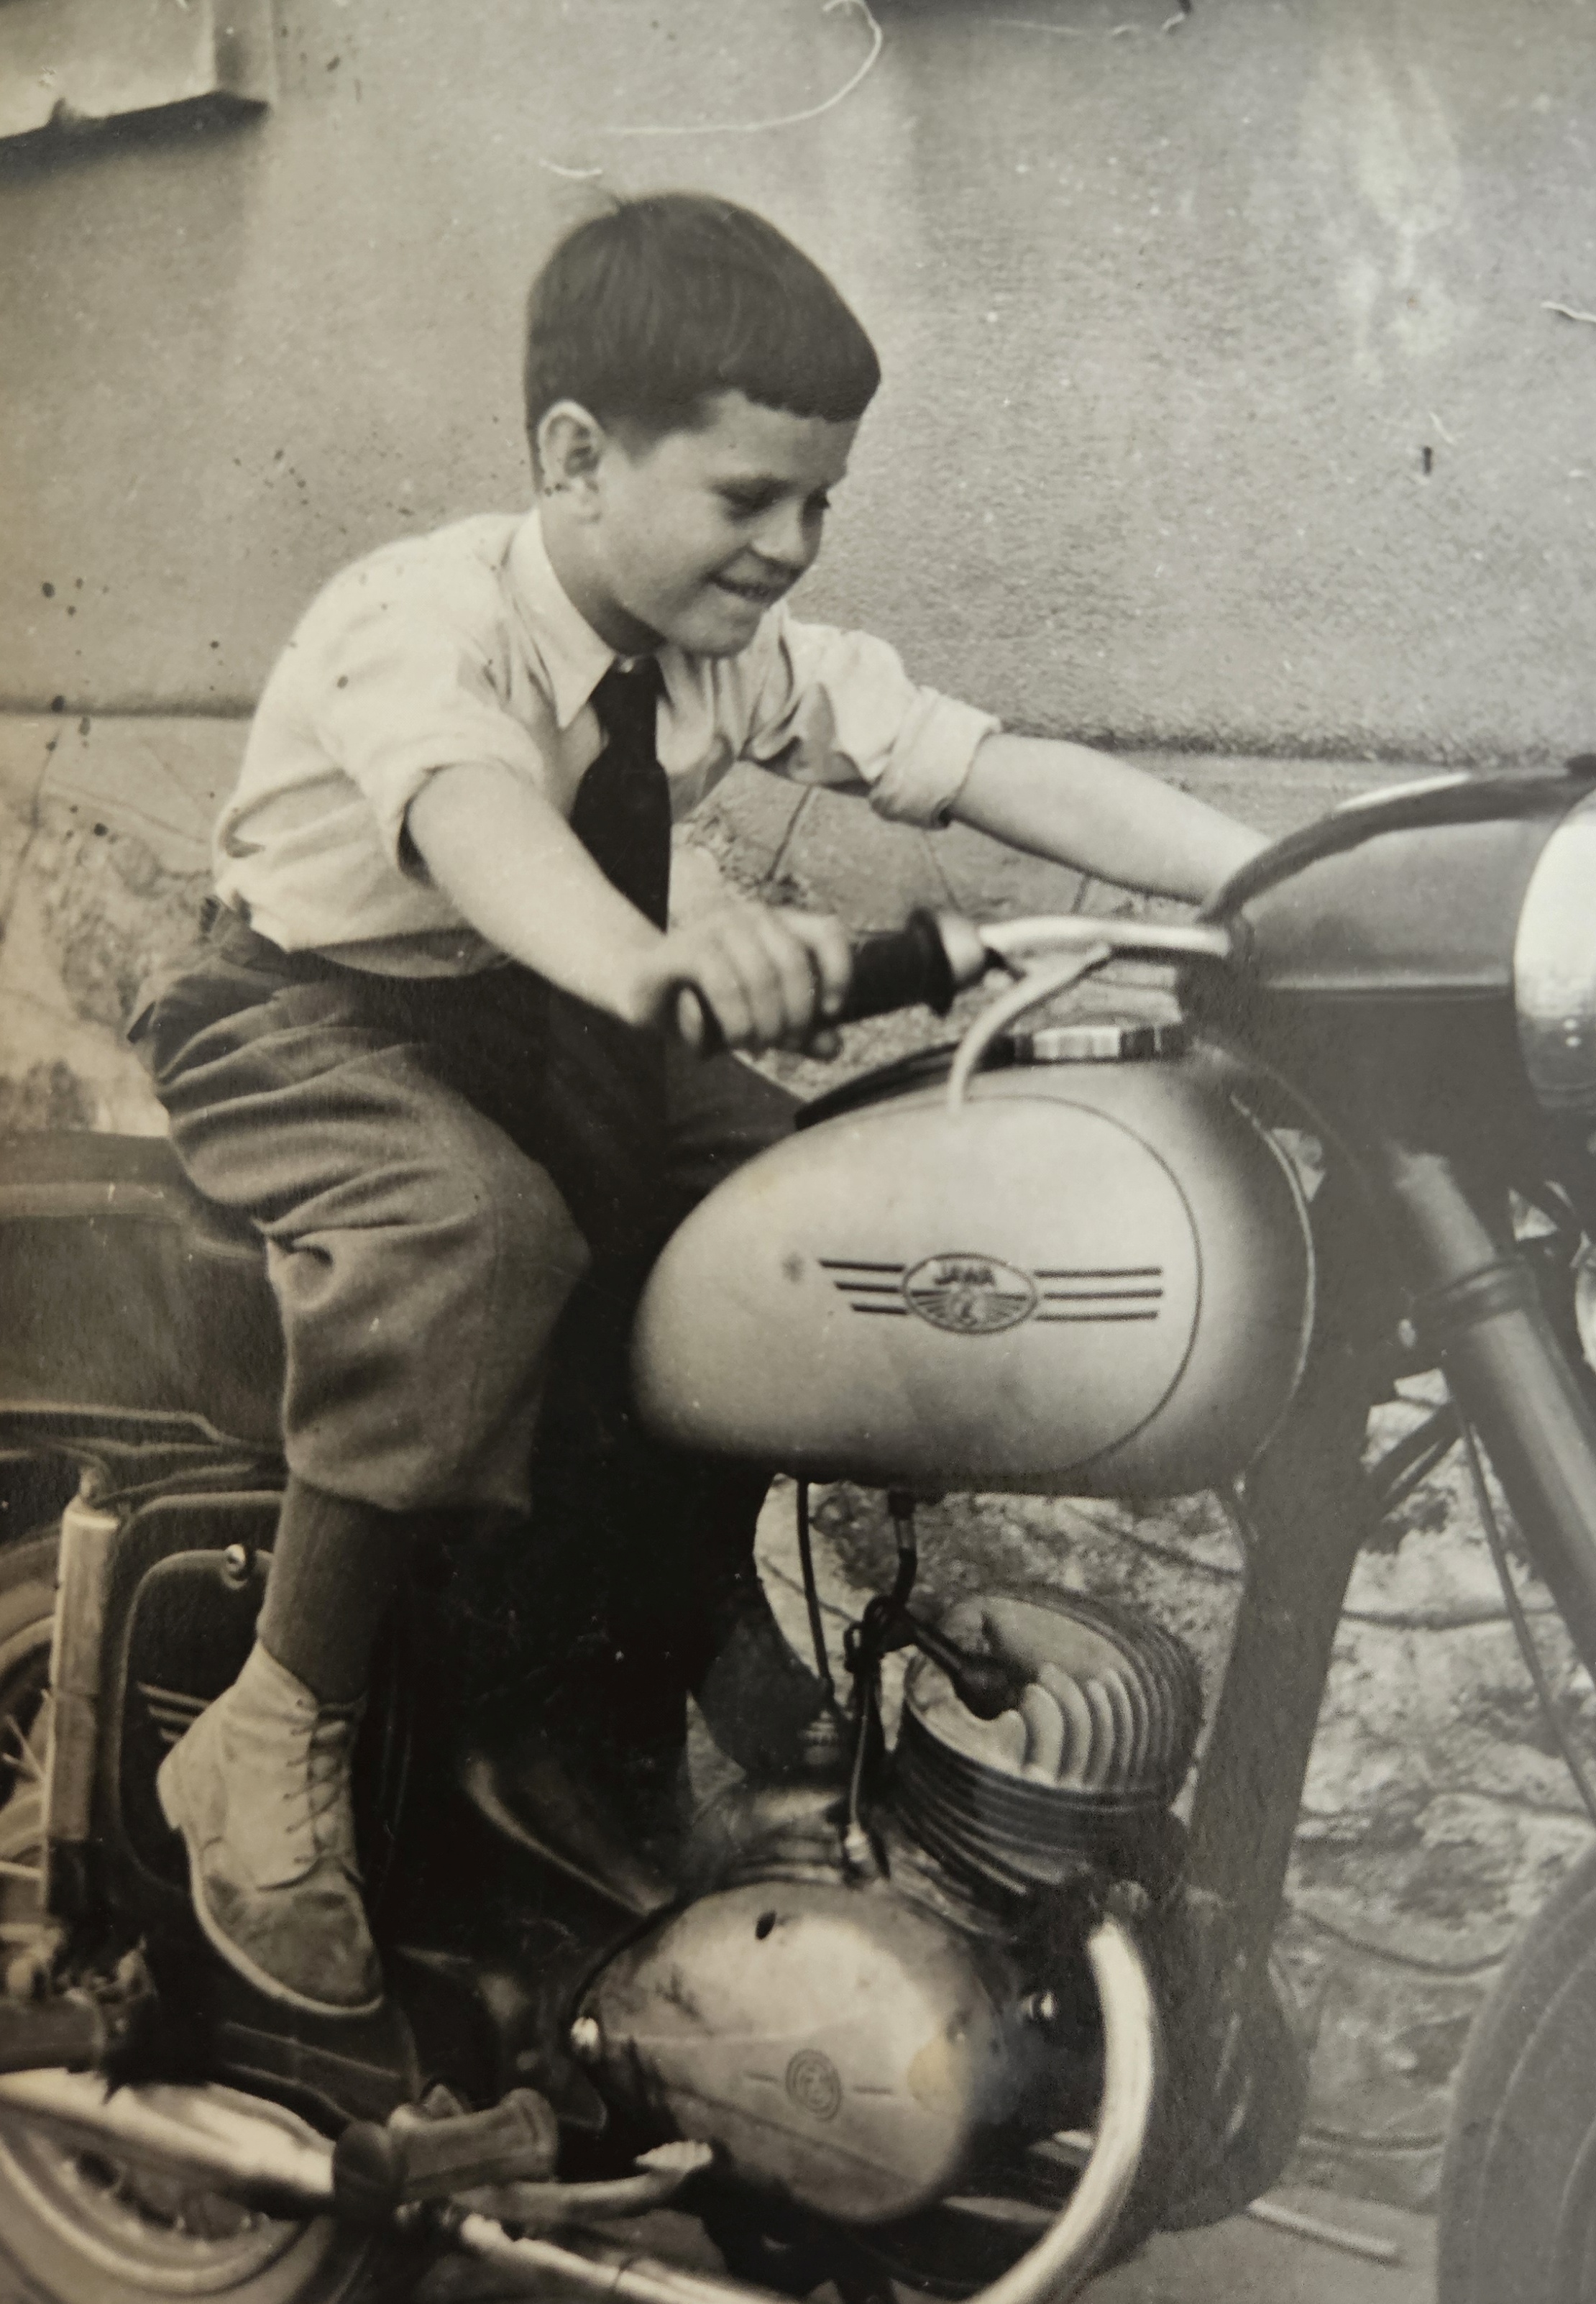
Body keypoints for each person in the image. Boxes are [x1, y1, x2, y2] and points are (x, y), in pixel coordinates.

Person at [131, 191, 1267, 2023]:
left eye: (821, 504)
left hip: (558, 1006)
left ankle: (668, 1636)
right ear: (576, 457)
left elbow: (985, 762)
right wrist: (655, 960)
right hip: (310, 1014)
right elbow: (477, 823)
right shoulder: (420, 620)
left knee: (781, 1209)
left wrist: (1277, 885)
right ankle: (278, 1714)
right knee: (468, 1232)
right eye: (750, 498)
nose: (791, 547)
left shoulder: (732, 651)